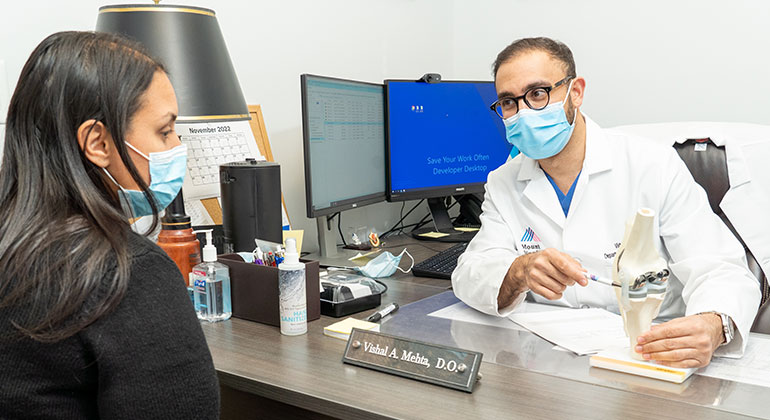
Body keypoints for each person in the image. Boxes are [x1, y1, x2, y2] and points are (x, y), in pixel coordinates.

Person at [452, 37, 761, 368]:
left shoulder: (652, 165)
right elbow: (470, 272)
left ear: (576, 92)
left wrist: (713, 324)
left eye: (538, 94)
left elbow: (720, 268)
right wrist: (517, 272)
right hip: (547, 356)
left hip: (651, 350)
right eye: (509, 103)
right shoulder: (504, 181)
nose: (523, 112)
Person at [0, 31, 219, 418]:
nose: (175, 149)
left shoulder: (13, 246)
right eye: (164, 131)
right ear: (98, 142)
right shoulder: (127, 273)